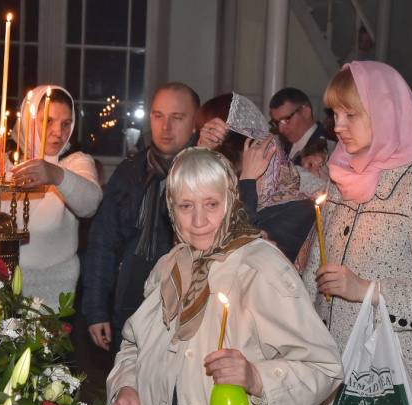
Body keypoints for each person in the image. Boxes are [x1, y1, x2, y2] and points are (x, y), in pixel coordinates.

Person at [107, 147, 344, 405]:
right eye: (186, 206)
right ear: (171, 209)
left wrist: (256, 377)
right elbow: (134, 345)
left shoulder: (260, 268)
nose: (198, 221)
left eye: (211, 204)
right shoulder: (168, 269)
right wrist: (126, 386)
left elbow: (324, 367)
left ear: (231, 202)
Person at [302, 61, 412, 405]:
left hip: (389, 390)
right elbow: (312, 277)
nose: (338, 126)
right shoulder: (339, 180)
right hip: (329, 383)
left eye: (351, 114)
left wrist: (369, 290)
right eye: (334, 114)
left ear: (385, 112)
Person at [82, 82, 199, 352]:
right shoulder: (130, 171)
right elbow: (102, 243)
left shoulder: (205, 172)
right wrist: (96, 310)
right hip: (129, 305)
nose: (165, 127)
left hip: (183, 312)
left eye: (177, 117)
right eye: (158, 116)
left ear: (195, 124)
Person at [3, 85, 103, 309]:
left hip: (53, 291)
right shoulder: (2, 162)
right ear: (28, 120)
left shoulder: (75, 162)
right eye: (48, 121)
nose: (58, 131)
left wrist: (56, 175)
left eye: (66, 123)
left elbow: (90, 204)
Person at [198, 92, 320, 263]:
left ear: (268, 166)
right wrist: (201, 155)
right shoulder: (232, 202)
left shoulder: (300, 209)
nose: (234, 189)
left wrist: (247, 182)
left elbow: (241, 252)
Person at [268, 87, 335, 164]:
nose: (280, 129)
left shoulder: (327, 149)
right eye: (277, 122)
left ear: (305, 112)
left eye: (286, 120)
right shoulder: (287, 147)